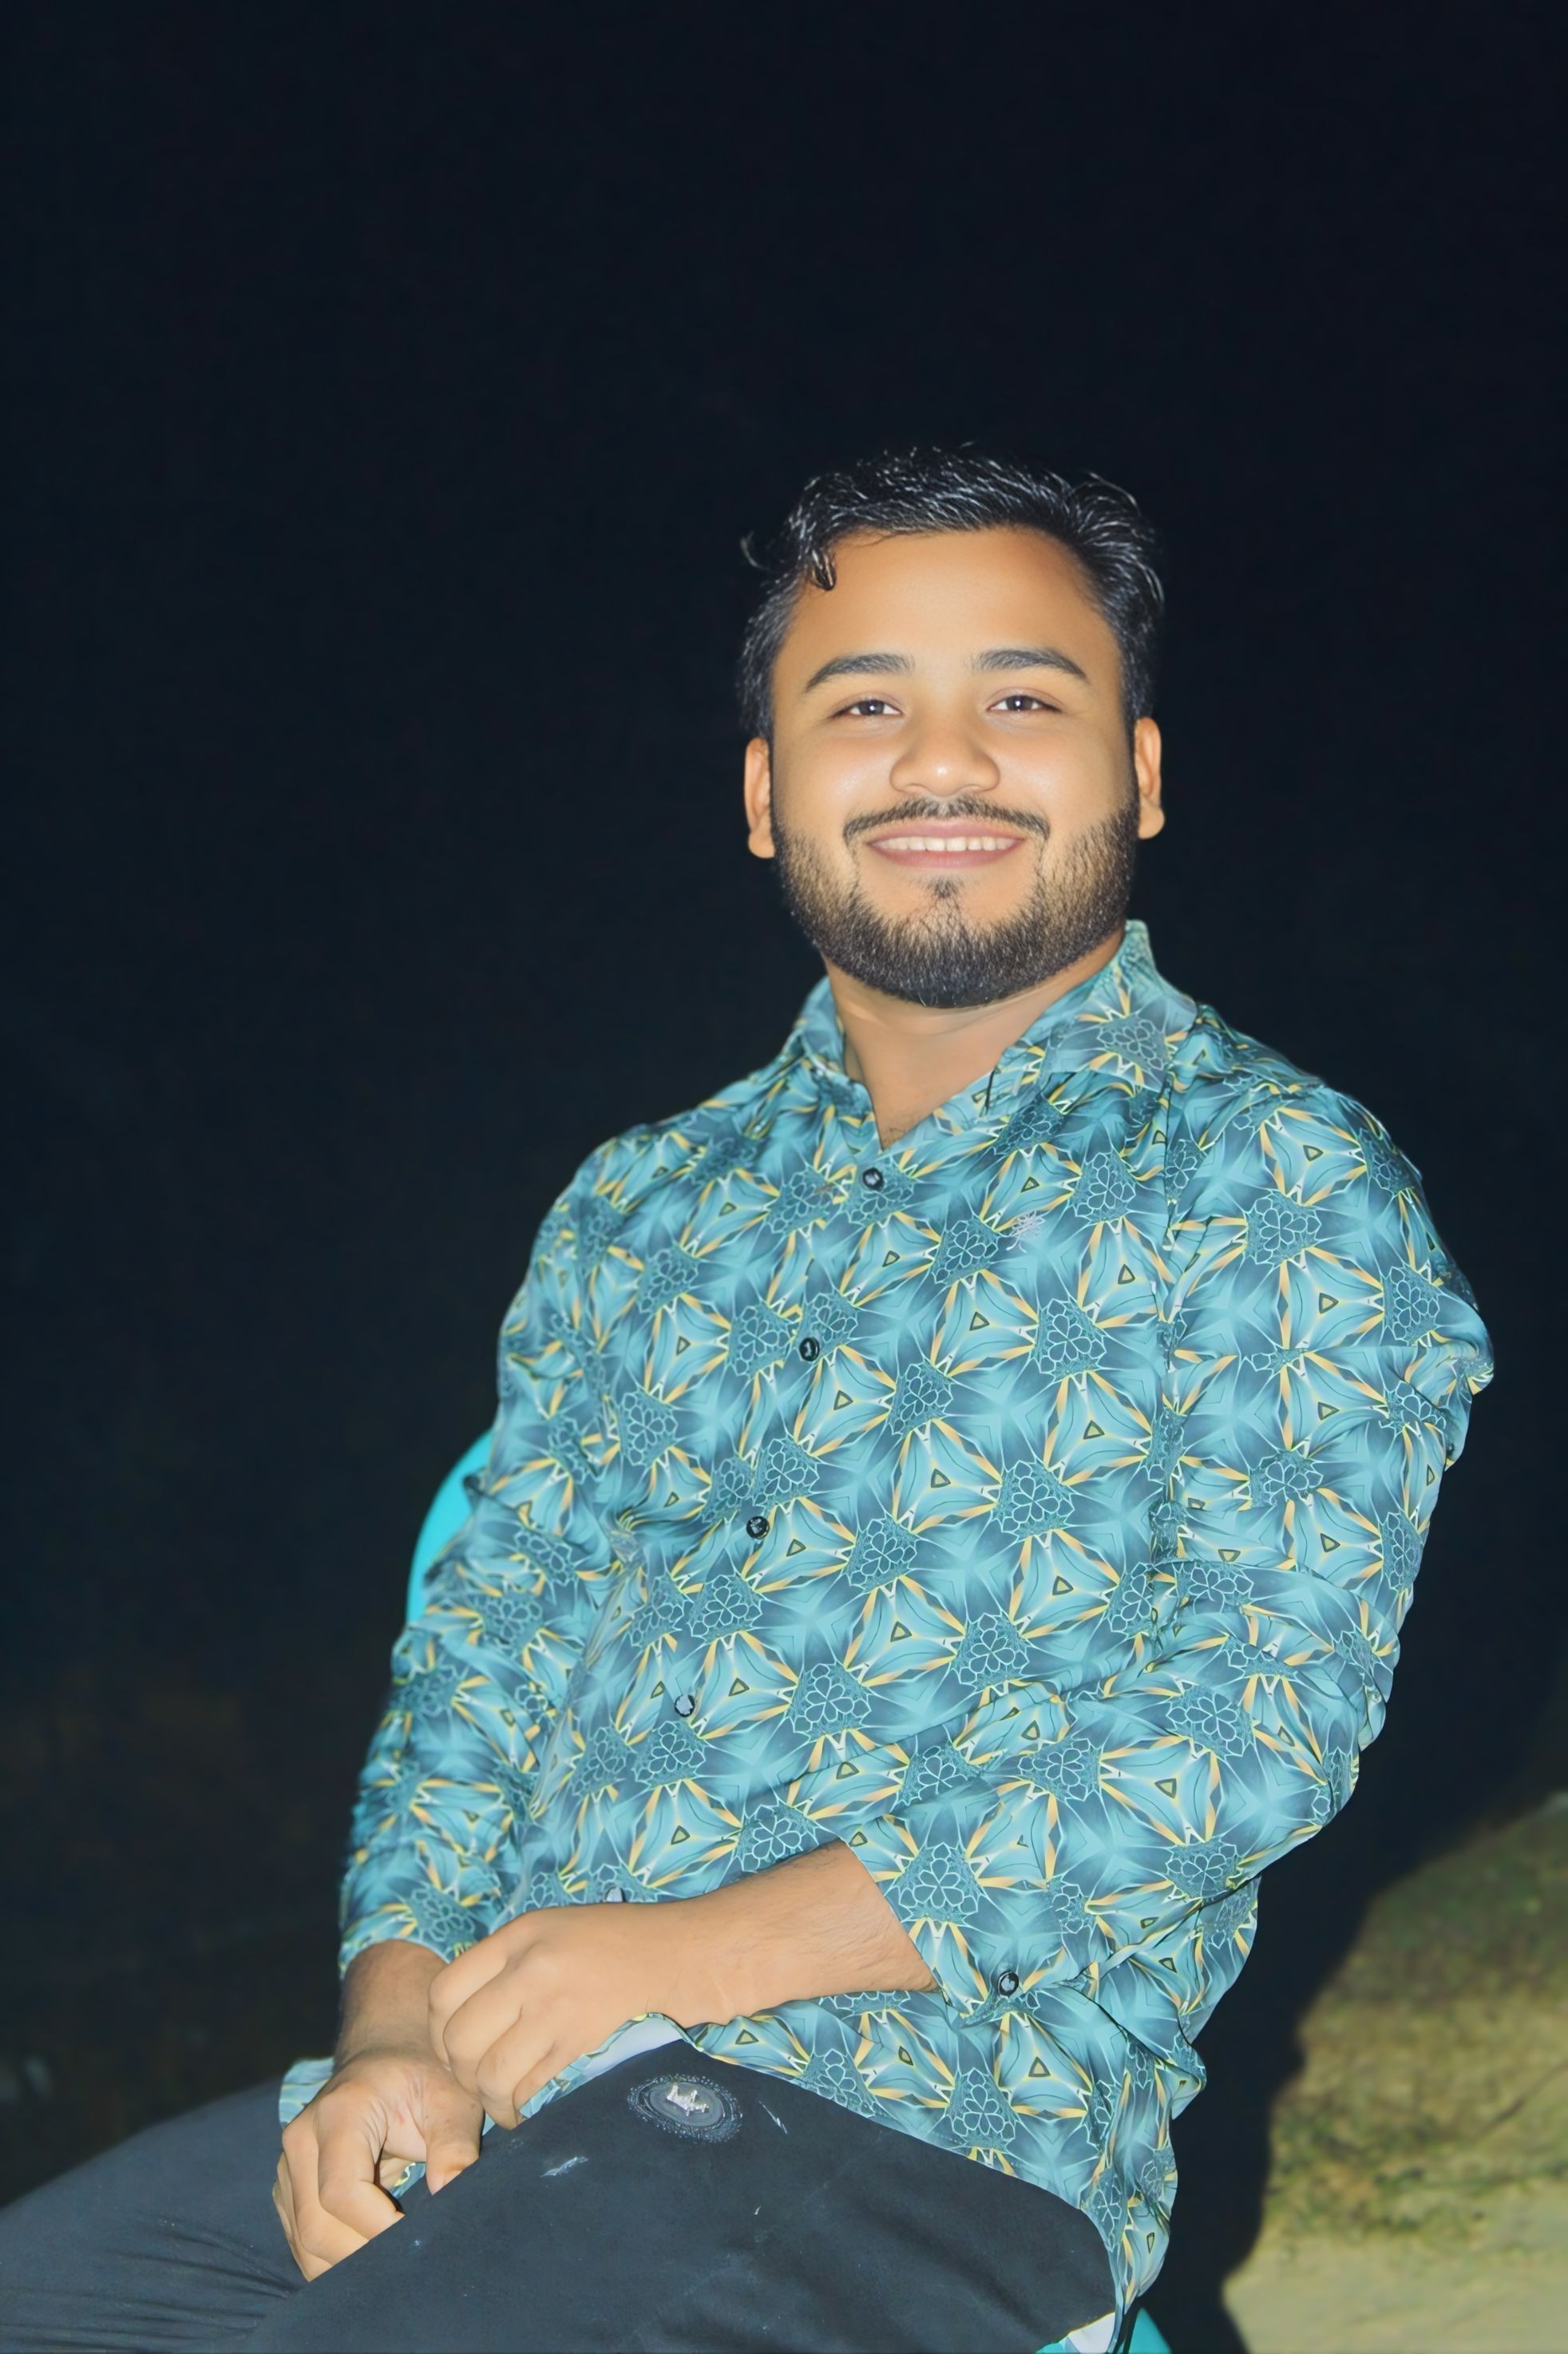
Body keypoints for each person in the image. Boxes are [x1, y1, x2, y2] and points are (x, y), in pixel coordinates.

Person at [0, 448, 1495, 2354]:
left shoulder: (1266, 1175)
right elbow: (478, 1671)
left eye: (1021, 701)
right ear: (763, 791)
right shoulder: (640, 1208)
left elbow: (1251, 1718)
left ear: (1136, 771)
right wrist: (390, 2033)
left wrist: (702, 1954)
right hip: (502, 2102)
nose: (941, 761)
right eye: (862, 705)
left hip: (919, 2132)